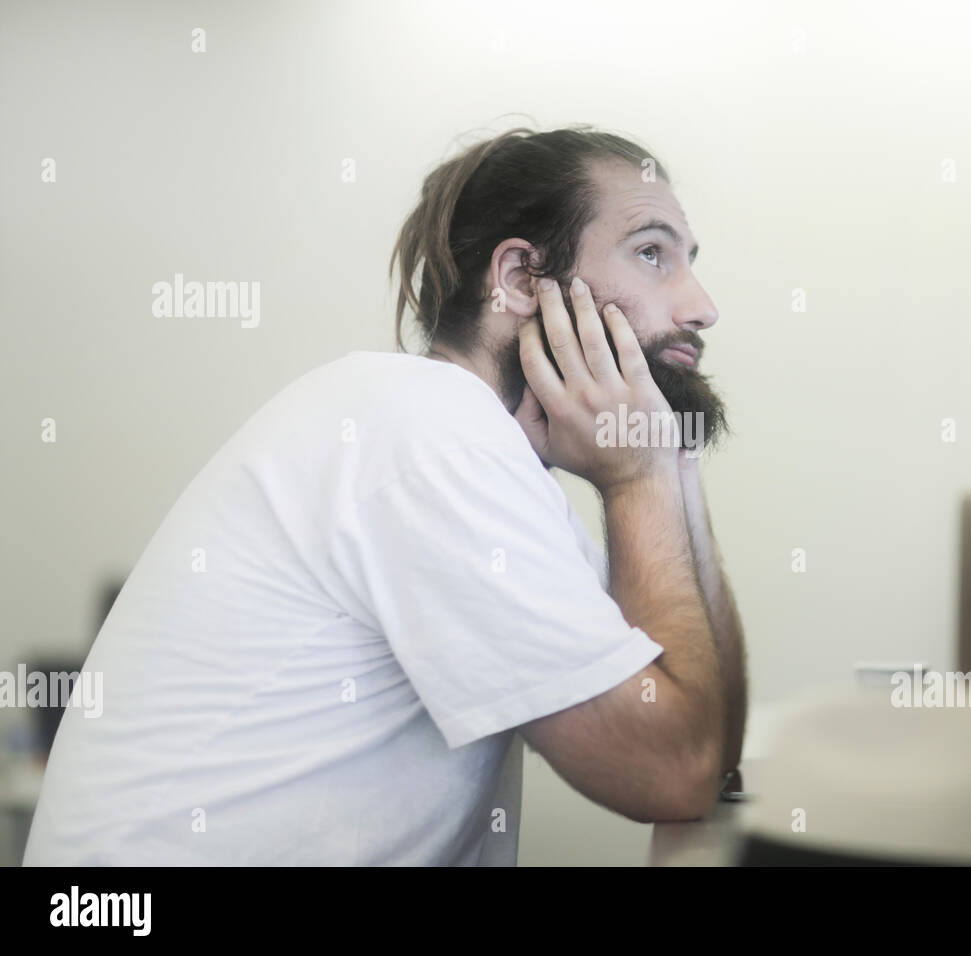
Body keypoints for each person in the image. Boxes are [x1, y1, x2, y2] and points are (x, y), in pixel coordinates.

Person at [23, 125, 748, 865]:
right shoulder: (432, 435)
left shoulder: (476, 456)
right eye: (652, 254)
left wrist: (670, 465)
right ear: (523, 280)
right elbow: (674, 773)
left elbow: (707, 736)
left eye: (690, 262)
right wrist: (638, 476)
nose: (702, 306)